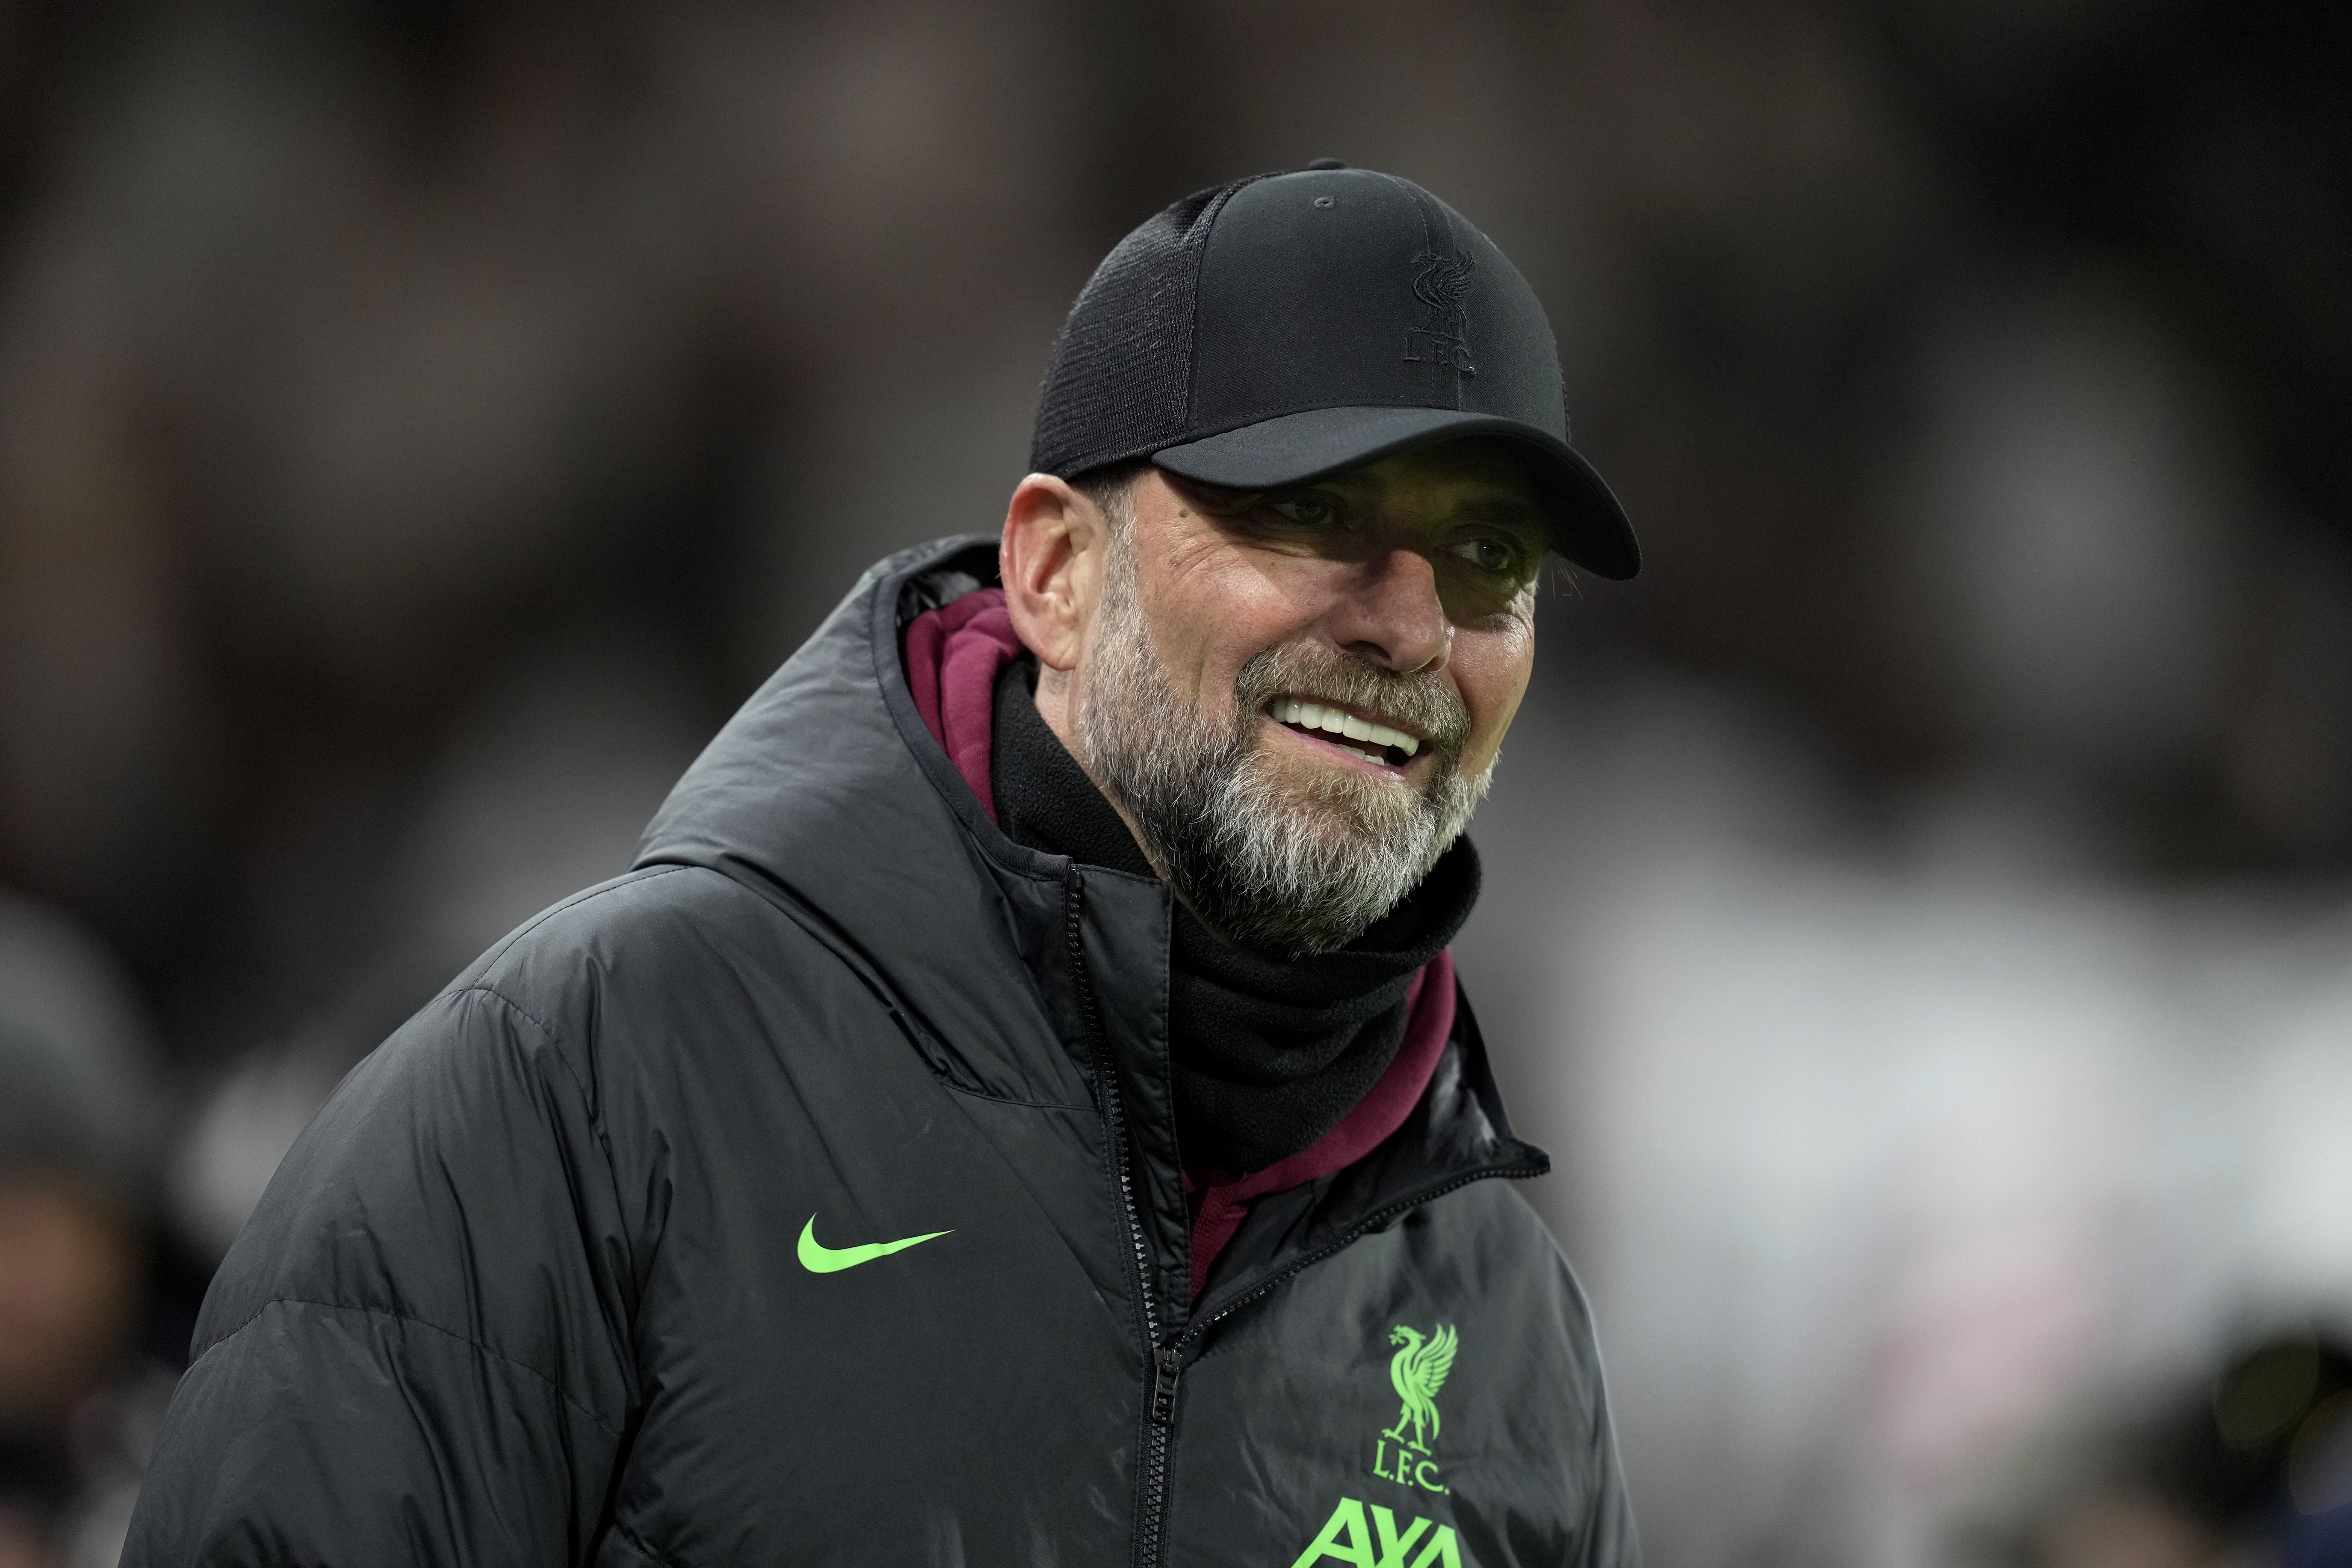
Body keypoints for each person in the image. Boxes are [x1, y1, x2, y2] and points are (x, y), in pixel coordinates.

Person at [123, 162, 1643, 1567]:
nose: (1407, 624)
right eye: (1310, 512)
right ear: (1054, 569)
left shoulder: (1499, 1322)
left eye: (1486, 558)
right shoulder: (585, 1083)